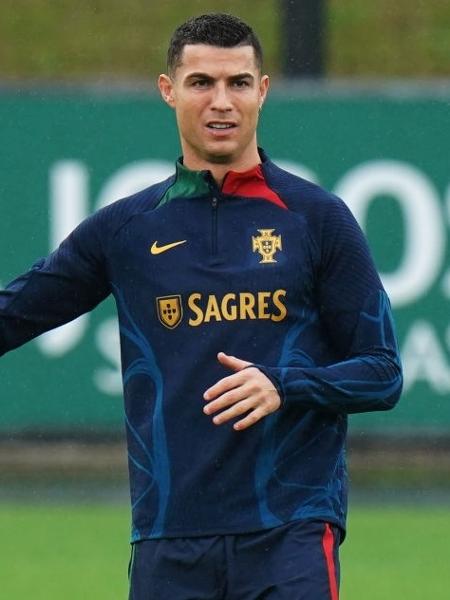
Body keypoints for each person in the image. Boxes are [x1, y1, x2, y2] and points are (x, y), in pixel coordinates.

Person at [0, 12, 402, 600]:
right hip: (169, 538)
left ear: (263, 90)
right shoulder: (127, 229)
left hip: (290, 532)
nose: (222, 102)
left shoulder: (318, 220)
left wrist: (285, 386)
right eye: (201, 83)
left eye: (238, 83)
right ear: (169, 91)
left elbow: (383, 372)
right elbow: (15, 311)